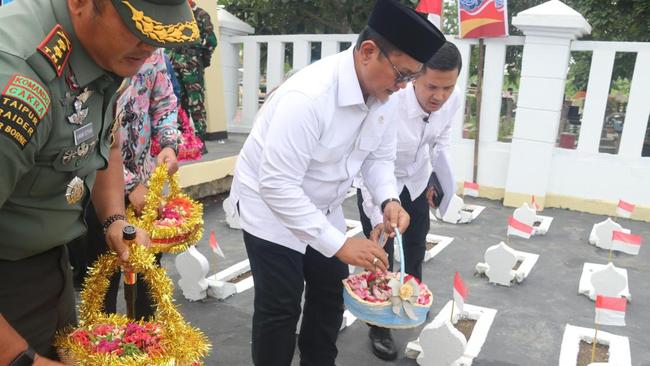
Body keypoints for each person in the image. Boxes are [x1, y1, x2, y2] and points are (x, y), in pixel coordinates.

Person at [230, 0, 445, 364]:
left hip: (322, 208)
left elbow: (379, 158)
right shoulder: (309, 98)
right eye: (401, 74)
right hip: (270, 211)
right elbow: (277, 185)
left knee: (331, 296)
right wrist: (339, 244)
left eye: (411, 77)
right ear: (367, 52)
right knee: (280, 309)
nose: (403, 86)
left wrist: (388, 201)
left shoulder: (385, 94)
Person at [0, 0, 198, 364]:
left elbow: (106, 137)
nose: (150, 45)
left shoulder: (101, 51)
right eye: (137, 27)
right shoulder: (17, 83)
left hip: (47, 261)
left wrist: (113, 219)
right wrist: (22, 360)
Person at [355, 41, 463, 361]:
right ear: (416, 76)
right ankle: (378, 326)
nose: (439, 96)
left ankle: (410, 303)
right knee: (382, 254)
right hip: (380, 183)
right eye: (432, 86)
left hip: (415, 183)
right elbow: (368, 164)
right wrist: (377, 215)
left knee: (415, 248)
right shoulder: (390, 101)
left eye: (448, 87)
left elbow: (440, 141)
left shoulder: (452, 99)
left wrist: (437, 180)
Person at [83, 48, 181, 319]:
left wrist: (169, 144)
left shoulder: (154, 52)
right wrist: (129, 185)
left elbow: (165, 103)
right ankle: (105, 354)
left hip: (147, 188)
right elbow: (91, 134)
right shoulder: (96, 52)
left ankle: (145, 345)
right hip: (98, 189)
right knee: (103, 278)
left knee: (147, 273)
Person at [167, 0, 217, 144]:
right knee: (178, 101)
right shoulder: (176, 14)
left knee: (196, 101)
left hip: (192, 65)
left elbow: (211, 41)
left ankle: (200, 139)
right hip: (175, 63)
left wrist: (202, 60)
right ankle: (184, 138)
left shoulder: (201, 15)